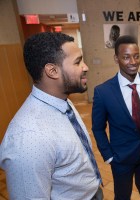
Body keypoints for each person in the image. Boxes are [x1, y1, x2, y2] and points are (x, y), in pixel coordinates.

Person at [0, 32, 103, 200]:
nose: (86, 67)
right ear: (52, 71)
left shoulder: (61, 100)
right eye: (78, 62)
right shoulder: (29, 138)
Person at [92, 35, 140, 200]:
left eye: (136, 56)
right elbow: (98, 128)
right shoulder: (103, 91)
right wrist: (109, 155)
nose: (133, 61)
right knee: (122, 195)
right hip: (121, 158)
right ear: (116, 58)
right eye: (126, 57)